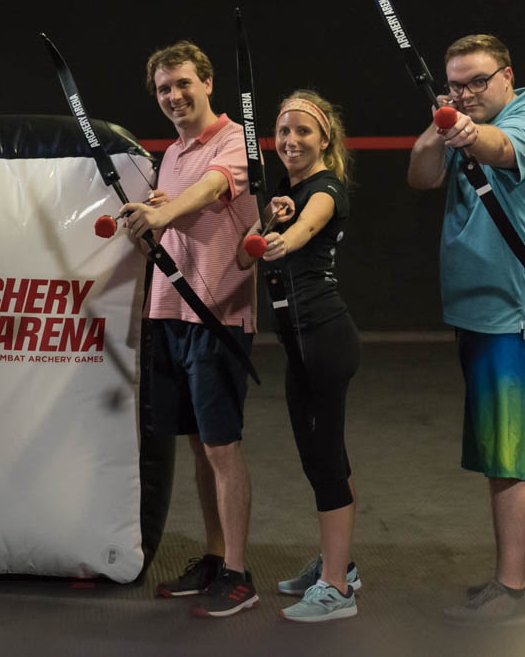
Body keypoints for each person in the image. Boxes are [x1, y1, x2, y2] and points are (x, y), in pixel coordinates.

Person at [406, 34, 525, 626]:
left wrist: (469, 132)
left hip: (515, 316)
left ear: (507, 75)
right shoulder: (456, 121)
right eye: (455, 84)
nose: (466, 93)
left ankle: (511, 591)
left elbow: (501, 149)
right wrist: (438, 127)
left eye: (477, 81)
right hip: (486, 315)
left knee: (508, 459)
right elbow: (421, 177)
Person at [119, 41, 259, 618]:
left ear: (207, 83)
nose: (174, 96)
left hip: (218, 316)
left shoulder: (232, 140)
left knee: (223, 448)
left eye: (182, 84)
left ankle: (240, 573)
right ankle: (214, 553)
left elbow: (214, 189)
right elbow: (178, 205)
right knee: (201, 446)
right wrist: (155, 206)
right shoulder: (171, 153)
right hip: (170, 314)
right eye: (163, 89)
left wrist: (163, 211)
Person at [239, 91, 361, 622]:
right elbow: (254, 243)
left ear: (324, 139)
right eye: (283, 131)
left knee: (324, 460)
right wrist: (268, 217)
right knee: (325, 455)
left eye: (303, 132)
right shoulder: (288, 193)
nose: (290, 140)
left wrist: (282, 236)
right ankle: (342, 564)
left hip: (323, 338)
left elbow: (308, 227)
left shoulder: (325, 188)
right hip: (301, 340)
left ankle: (337, 589)